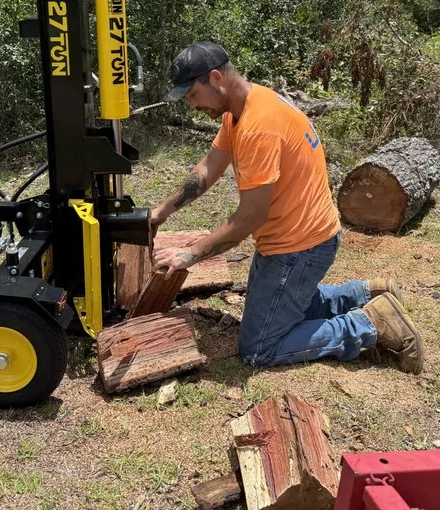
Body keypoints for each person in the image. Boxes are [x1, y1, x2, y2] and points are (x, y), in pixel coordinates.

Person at [150, 41, 424, 373]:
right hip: (303, 237)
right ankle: (366, 293)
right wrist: (160, 213)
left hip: (299, 247)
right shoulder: (243, 108)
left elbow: (250, 217)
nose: (191, 104)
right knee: (283, 306)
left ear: (215, 78)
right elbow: (207, 170)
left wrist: (188, 254)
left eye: (192, 94)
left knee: (260, 347)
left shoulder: (258, 126)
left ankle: (371, 323)